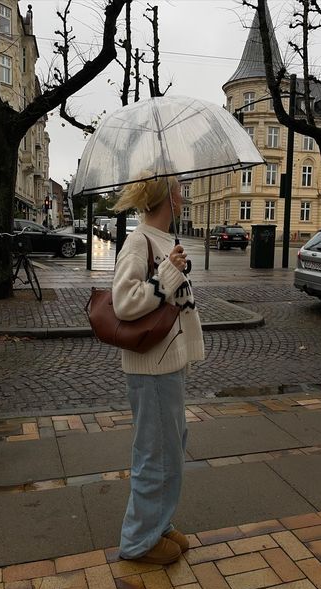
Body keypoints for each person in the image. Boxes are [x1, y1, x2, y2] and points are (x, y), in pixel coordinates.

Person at [112, 172, 205, 565]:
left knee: (170, 449)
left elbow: (176, 299)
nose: (183, 193)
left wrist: (173, 267)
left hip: (169, 362)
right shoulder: (138, 241)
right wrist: (168, 273)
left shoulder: (165, 241)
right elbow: (124, 302)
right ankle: (138, 541)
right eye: (179, 187)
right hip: (151, 366)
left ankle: (159, 523)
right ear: (167, 194)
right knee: (155, 454)